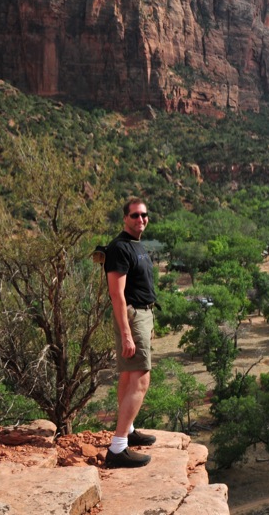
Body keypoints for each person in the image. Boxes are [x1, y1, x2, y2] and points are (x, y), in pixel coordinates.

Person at [103, 197, 158, 468]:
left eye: (144, 215)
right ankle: (118, 448)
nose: (140, 219)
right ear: (125, 218)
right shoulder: (120, 247)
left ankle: (129, 429)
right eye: (135, 215)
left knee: (128, 375)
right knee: (141, 379)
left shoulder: (137, 245)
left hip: (142, 315)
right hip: (133, 316)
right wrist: (126, 333)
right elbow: (117, 294)